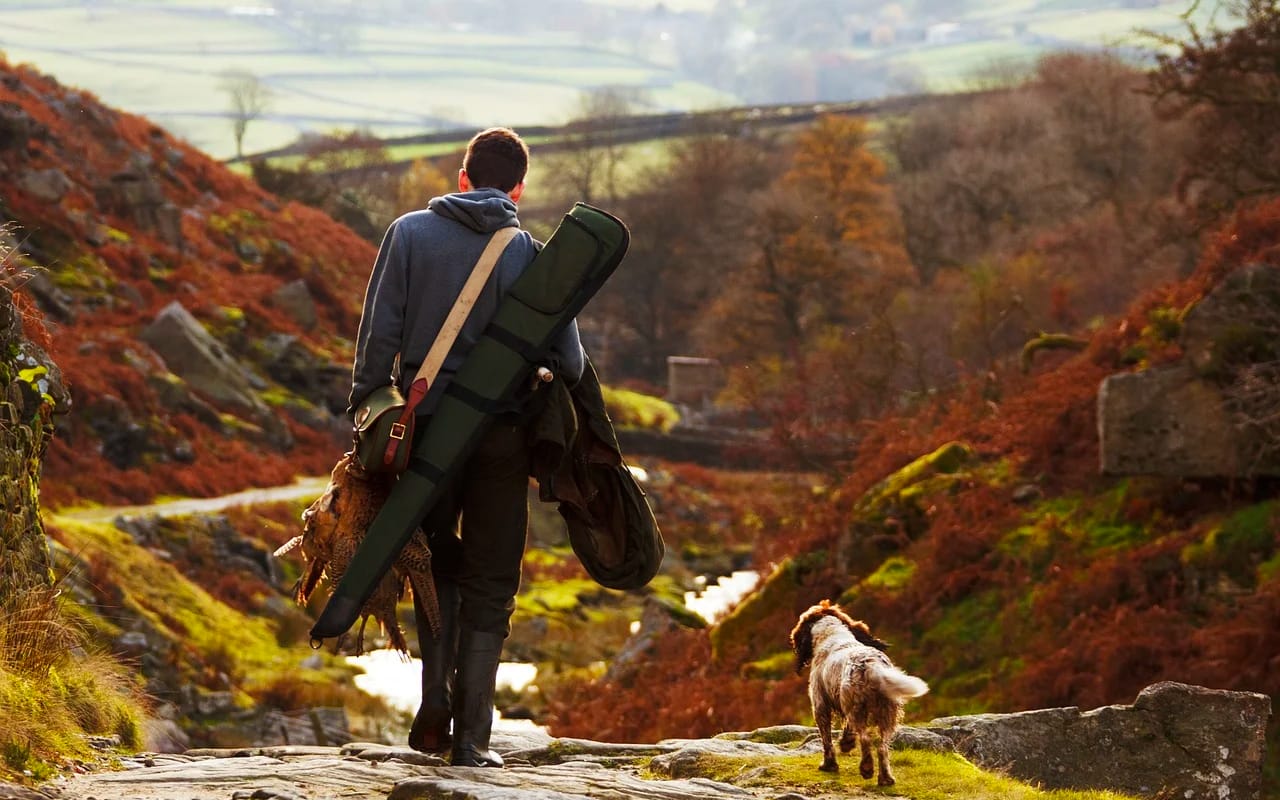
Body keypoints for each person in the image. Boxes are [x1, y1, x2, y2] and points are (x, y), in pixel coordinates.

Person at [348, 127, 585, 768]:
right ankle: (473, 739)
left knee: (431, 568)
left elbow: (377, 344)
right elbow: (568, 358)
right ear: (518, 189)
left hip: (423, 433)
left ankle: (432, 707)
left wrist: (372, 417)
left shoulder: (406, 234)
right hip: (501, 438)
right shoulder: (531, 255)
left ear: (461, 177)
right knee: (490, 579)